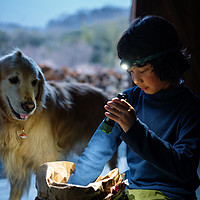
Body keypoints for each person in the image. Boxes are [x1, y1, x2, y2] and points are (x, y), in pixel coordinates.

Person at [67, 15, 200, 200]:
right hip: (133, 191)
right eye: (131, 72)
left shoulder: (191, 109)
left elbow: (184, 167)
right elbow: (98, 149)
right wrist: (67, 191)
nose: (136, 80)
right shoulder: (129, 99)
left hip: (172, 195)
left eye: (143, 70)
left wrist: (134, 129)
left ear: (166, 62)